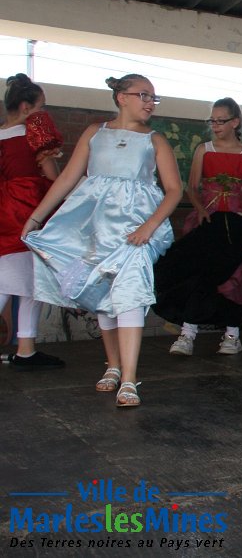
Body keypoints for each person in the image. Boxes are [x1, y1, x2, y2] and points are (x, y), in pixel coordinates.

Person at [23, 74, 182, 406]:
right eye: (144, 95)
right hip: (96, 226)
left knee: (130, 293)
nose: (150, 102)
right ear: (121, 97)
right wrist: (38, 216)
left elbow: (174, 191)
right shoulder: (95, 133)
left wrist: (149, 227)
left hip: (136, 230)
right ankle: (113, 365)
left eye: (154, 97)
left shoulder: (155, 141)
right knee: (103, 292)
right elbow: (68, 177)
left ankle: (129, 379)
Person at [154, 98, 242, 356]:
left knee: (236, 277)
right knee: (201, 273)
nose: (214, 125)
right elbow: (191, 186)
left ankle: (232, 335)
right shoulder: (204, 148)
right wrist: (201, 209)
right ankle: (188, 333)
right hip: (209, 219)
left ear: (235, 122)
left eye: (220, 120)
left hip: (239, 221)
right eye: (211, 120)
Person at [0, 74, 64, 370]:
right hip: (25, 211)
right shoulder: (32, 134)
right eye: (41, 106)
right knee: (26, 280)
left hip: (4, 212)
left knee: (15, 278)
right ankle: (25, 349)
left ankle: (26, 349)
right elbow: (52, 176)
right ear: (26, 107)